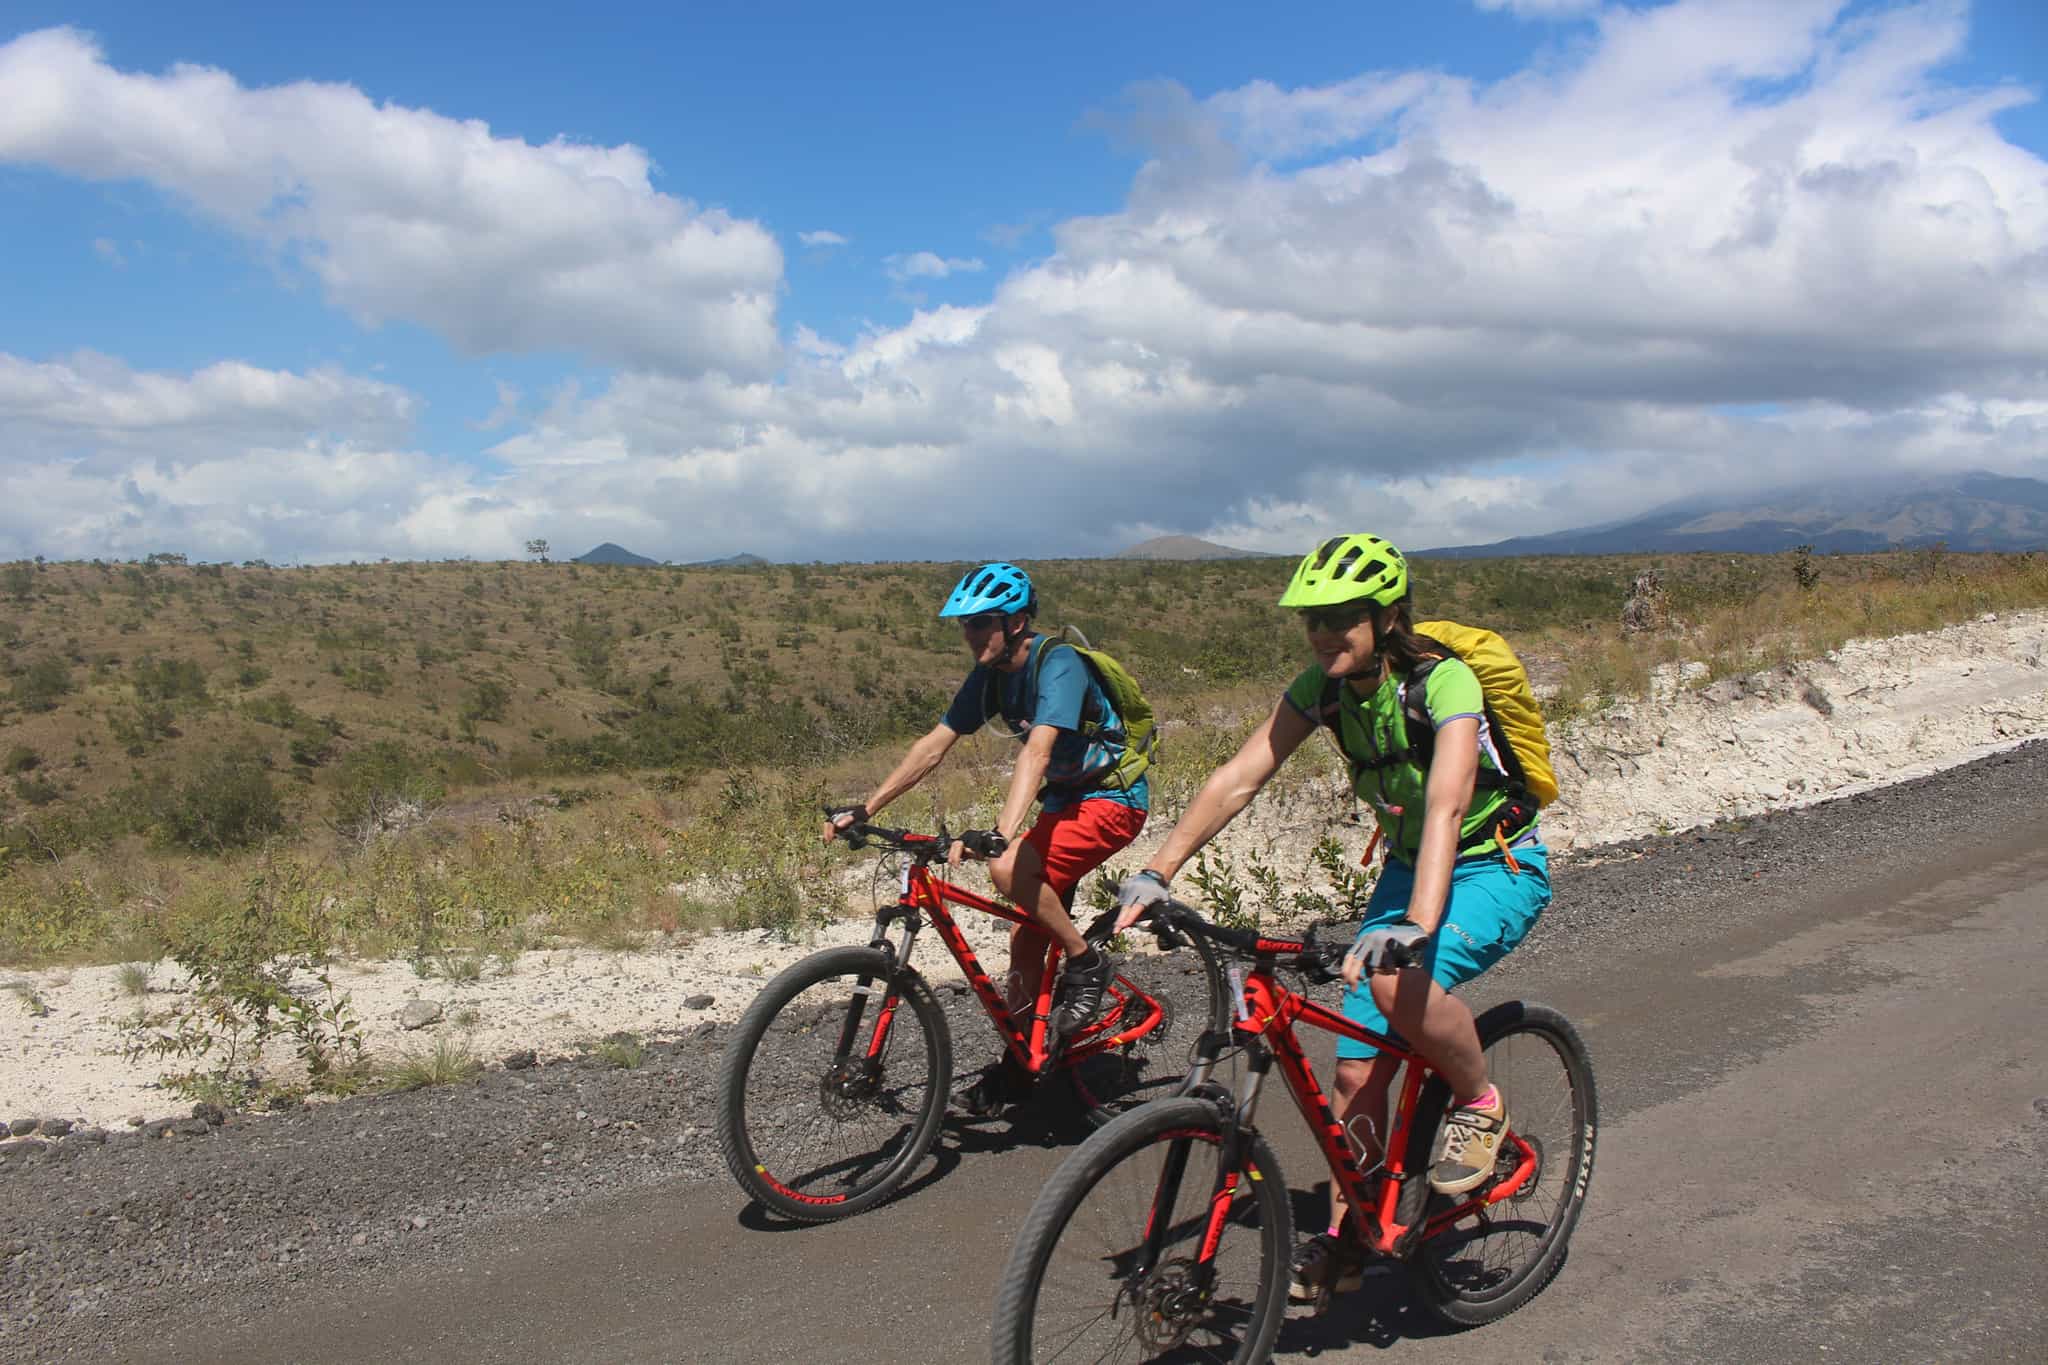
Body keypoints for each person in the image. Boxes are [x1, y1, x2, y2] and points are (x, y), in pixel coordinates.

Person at [1112, 532, 1550, 1303]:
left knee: (1390, 988)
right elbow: (1242, 774)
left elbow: (1447, 803)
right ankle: (1354, 1238)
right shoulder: (1322, 685)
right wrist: (1158, 869)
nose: (1321, 630)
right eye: (1310, 616)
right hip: (1410, 869)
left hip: (1493, 865)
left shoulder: (1443, 683)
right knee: (1353, 1071)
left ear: (1384, 617)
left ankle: (1479, 1102)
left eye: (1340, 614)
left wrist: (1413, 924)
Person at [825, 561, 1149, 1117]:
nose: (971, 634)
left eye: (981, 623)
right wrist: (868, 806)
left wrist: (1001, 835)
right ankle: (1023, 1063)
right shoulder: (992, 675)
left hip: (1113, 800)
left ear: (1017, 621)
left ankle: (1086, 964)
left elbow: (1038, 750)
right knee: (1024, 944)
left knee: (1007, 871)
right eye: (965, 625)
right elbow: (935, 745)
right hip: (1067, 803)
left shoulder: (1059, 664)